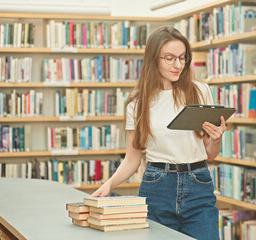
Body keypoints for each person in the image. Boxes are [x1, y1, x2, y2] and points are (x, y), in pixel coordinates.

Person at [90, 25, 225, 240]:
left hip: (198, 184)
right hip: (157, 186)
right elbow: (133, 159)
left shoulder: (200, 91)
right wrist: (109, 184)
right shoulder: (138, 101)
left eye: (182, 57)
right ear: (154, 59)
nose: (178, 65)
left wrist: (217, 140)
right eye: (169, 58)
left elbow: (209, 154)